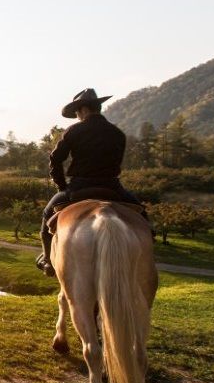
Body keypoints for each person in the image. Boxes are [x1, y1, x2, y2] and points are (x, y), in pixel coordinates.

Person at [36, 89, 143, 276]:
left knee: (47, 216)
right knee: (142, 216)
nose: (77, 116)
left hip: (79, 186)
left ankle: (47, 260)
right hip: (112, 186)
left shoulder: (74, 131)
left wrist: (62, 187)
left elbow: (55, 159)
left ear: (84, 109)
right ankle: (146, 252)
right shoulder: (117, 133)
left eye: (77, 112)